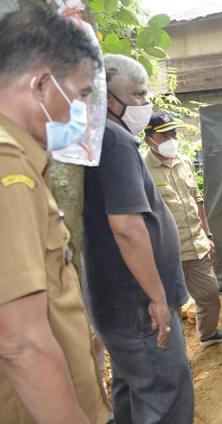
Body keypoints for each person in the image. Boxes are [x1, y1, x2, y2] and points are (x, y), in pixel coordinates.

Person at [0, 7, 109, 423]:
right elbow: (21, 343)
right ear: (42, 85)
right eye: (81, 94)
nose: (80, 111)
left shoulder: (23, 162)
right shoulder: (9, 168)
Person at [84, 54, 194, 423]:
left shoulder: (93, 136)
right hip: (138, 305)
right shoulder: (114, 141)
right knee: (165, 395)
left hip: (117, 302)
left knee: (131, 388)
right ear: (108, 97)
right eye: (138, 95)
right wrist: (157, 298)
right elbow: (127, 228)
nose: (145, 104)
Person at [144, 111, 222, 346]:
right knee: (170, 305)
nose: (171, 139)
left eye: (173, 133)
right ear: (149, 139)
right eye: (164, 135)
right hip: (165, 252)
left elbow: (198, 201)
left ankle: (207, 334)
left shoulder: (184, 162)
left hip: (195, 244)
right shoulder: (142, 170)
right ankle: (175, 354)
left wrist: (208, 235)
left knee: (209, 294)